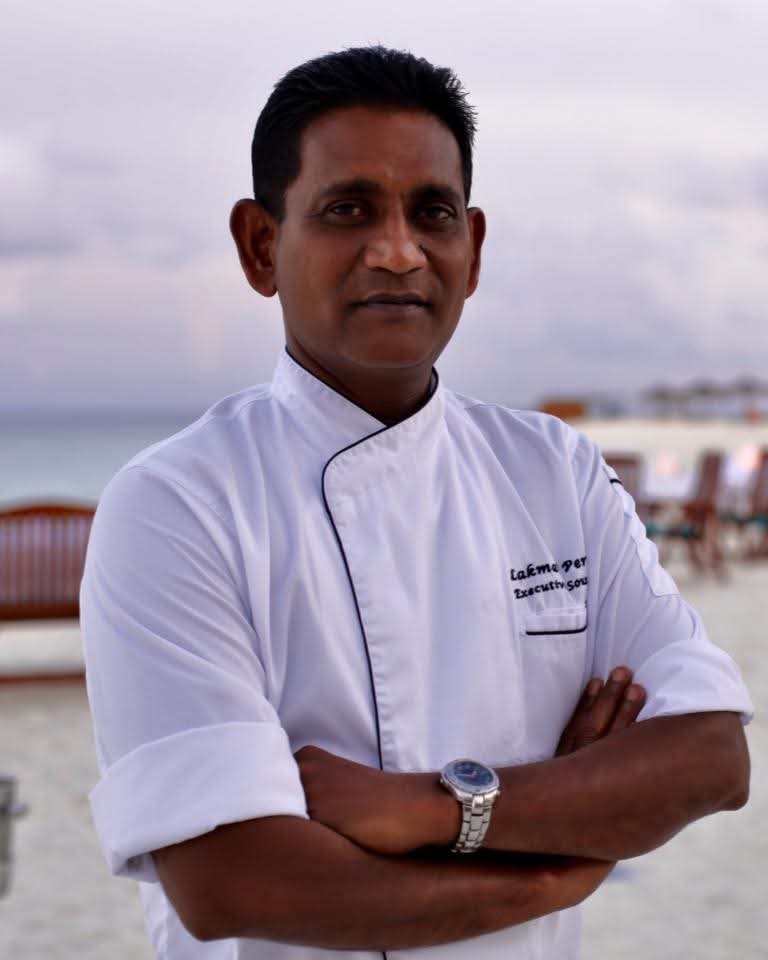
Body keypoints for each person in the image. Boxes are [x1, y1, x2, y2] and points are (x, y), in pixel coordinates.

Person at [81, 46, 753, 960]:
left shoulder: (553, 470)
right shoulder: (179, 506)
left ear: (472, 249)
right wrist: (567, 853)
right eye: (348, 208)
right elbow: (234, 880)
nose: (398, 250)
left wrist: (428, 806)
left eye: (431, 212)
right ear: (261, 245)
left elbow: (709, 757)